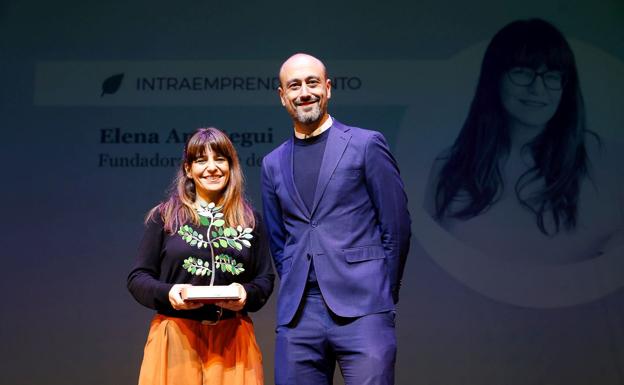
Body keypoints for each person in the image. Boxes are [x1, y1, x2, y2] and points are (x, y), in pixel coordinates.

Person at [261, 53, 411, 385]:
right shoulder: (273, 163)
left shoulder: (366, 144)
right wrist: (296, 284)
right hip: (299, 315)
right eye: (294, 85)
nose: (304, 92)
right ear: (282, 95)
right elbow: (278, 240)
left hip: (364, 307)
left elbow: (396, 225)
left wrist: (383, 289)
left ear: (328, 88)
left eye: (312, 82)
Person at [424, 18, 623, 265]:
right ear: (494, 79)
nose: (537, 88)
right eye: (522, 72)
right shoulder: (450, 165)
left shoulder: (605, 160)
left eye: (552, 75)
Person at [127, 127, 274, 385]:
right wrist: (169, 293)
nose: (212, 168)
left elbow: (264, 279)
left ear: (231, 166)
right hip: (174, 336)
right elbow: (138, 278)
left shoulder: (250, 221)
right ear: (188, 169)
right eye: (200, 160)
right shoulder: (166, 217)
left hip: (233, 339)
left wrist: (245, 295)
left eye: (220, 159)